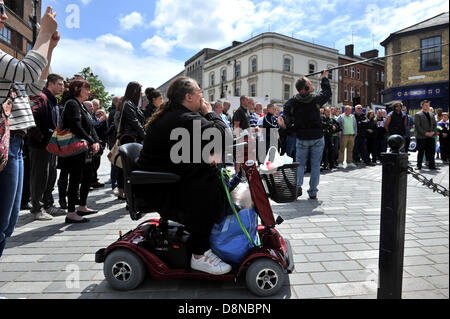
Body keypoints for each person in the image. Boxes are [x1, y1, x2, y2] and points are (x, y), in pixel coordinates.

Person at [137, 76, 232, 275]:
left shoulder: (177, 114)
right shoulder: (184, 118)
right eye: (200, 93)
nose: (203, 98)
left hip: (164, 177)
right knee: (211, 184)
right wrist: (210, 113)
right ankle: (199, 253)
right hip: (159, 186)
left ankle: (206, 238)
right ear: (188, 97)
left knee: (213, 173)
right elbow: (223, 135)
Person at [0, 5, 59, 257]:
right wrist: (43, 35)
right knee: (1, 224)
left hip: (14, 143)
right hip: (5, 143)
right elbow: (27, 71)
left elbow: (34, 87)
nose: (4, 15)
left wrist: (50, 47)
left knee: (8, 224)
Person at [280, 70, 331, 200]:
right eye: (309, 84)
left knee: (300, 165)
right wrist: (324, 78)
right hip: (317, 137)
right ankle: (313, 192)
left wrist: (286, 125)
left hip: (302, 137)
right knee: (315, 165)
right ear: (306, 88)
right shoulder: (315, 100)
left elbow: (286, 116)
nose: (311, 86)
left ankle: (297, 188)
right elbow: (326, 93)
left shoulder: (292, 102)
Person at [59, 80, 101, 223]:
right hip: (75, 149)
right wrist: (91, 141)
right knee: (75, 179)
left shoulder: (81, 105)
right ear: (77, 89)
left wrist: (96, 141)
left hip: (84, 148)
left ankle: (82, 206)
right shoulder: (72, 103)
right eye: (86, 89)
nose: (89, 92)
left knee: (87, 177)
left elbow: (91, 126)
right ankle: (71, 213)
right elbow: (76, 126)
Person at [27, 74, 65, 221]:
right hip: (40, 145)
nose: (62, 87)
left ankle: (48, 205)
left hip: (50, 146)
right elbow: (30, 116)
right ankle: (37, 209)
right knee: (40, 177)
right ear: (50, 83)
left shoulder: (53, 100)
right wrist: (41, 137)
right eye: (60, 84)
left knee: (50, 176)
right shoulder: (41, 97)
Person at [116, 82, 146, 200]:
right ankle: (128, 196)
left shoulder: (131, 104)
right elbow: (134, 122)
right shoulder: (128, 104)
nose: (141, 93)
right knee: (127, 168)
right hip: (130, 139)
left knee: (127, 168)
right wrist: (145, 135)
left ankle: (128, 195)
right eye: (140, 91)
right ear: (135, 91)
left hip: (133, 138)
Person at [414, 100, 437, 170]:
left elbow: (435, 125)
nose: (427, 107)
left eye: (428, 105)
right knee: (421, 151)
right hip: (421, 137)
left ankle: (431, 165)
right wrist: (425, 133)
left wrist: (433, 132)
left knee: (431, 151)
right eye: (425, 105)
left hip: (431, 136)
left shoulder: (432, 114)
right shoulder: (418, 114)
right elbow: (418, 126)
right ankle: (419, 165)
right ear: (422, 105)